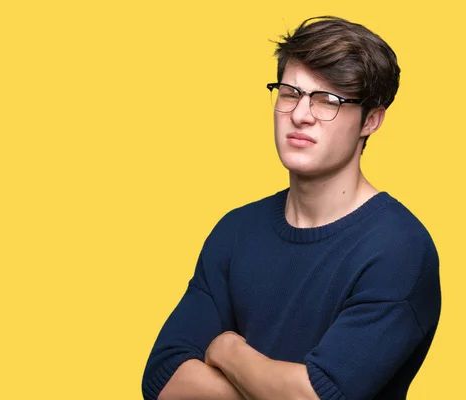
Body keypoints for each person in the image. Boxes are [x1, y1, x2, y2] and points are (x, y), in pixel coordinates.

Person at [141, 15, 442, 400]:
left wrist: (228, 349)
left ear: (371, 120)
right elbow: (163, 377)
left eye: (327, 100)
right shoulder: (236, 231)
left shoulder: (399, 251)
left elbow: (316, 396)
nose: (301, 115)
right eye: (289, 92)